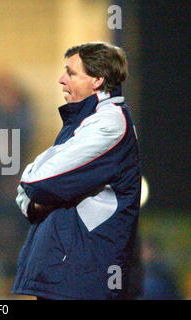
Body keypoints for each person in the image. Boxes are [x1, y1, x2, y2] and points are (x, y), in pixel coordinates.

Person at [13, 42, 141, 299]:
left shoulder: (110, 122)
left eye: (71, 73)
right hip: (68, 278)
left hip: (84, 281)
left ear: (97, 80)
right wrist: (36, 197)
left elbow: (37, 180)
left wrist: (37, 191)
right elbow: (30, 189)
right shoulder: (83, 121)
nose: (62, 80)